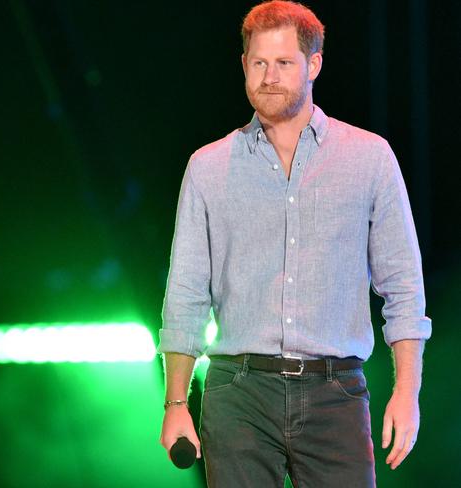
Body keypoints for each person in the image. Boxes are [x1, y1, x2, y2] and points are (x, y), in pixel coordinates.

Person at [157, 1, 432, 486]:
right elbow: (185, 294)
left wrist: (407, 390)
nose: (269, 76)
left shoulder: (369, 158)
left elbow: (403, 286)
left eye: (284, 63)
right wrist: (176, 403)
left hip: (336, 392)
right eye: (258, 62)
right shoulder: (208, 167)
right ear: (243, 65)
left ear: (314, 65)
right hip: (238, 392)